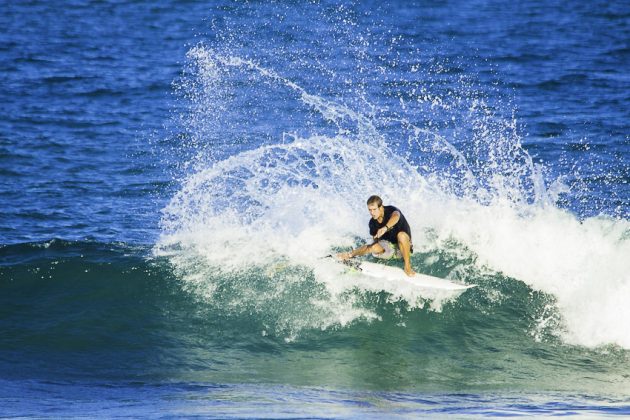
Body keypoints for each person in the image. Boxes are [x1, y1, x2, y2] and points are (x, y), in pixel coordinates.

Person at [338, 195, 416, 276]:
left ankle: (407, 266)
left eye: (374, 209)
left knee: (401, 235)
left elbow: (396, 216)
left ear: (381, 207)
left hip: (403, 248)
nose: (372, 213)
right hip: (389, 248)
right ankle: (349, 255)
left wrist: (385, 228)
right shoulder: (372, 223)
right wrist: (375, 248)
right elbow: (375, 242)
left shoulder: (392, 210)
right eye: (370, 210)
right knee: (373, 247)